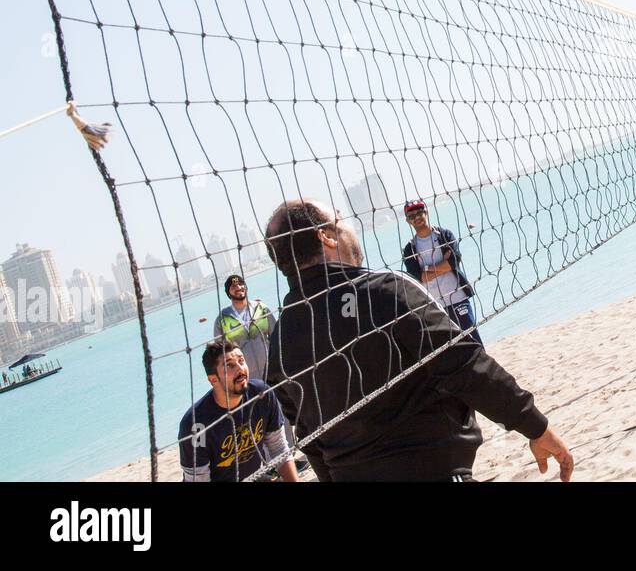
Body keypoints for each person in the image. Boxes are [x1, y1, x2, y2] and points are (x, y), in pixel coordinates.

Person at [263, 198, 573, 482]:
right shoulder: (384, 290)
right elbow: (466, 365)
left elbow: (308, 435)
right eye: (341, 218)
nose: (349, 226)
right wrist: (535, 426)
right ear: (326, 236)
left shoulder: (278, 342)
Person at [179, 340, 299, 482]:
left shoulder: (262, 394)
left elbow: (278, 448)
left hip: (256, 477)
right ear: (213, 380)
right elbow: (199, 479)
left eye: (241, 361)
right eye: (229, 365)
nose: (240, 369)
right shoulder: (195, 424)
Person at [401, 199, 481, 344]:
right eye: (412, 215)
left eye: (420, 212)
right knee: (453, 349)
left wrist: (428, 269)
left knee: (474, 341)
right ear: (408, 221)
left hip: (458, 297)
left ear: (426, 212)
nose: (417, 217)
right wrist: (442, 265)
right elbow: (419, 278)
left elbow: (454, 262)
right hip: (434, 307)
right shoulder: (409, 249)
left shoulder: (444, 235)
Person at [216, 274, 276, 382]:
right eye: (233, 287)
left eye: (241, 284)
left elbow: (277, 336)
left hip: (272, 369)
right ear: (228, 293)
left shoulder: (261, 308)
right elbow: (221, 353)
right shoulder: (222, 319)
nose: (238, 288)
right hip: (244, 376)